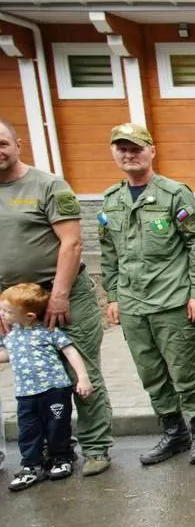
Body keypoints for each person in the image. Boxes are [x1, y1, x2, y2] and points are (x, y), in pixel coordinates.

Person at [0, 118, 114, 475]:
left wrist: (60, 295)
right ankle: (52, 448)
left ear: (18, 144)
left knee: (80, 368)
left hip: (60, 294)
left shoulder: (48, 185)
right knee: (34, 375)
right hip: (13, 303)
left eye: (2, 143)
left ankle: (96, 446)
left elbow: (72, 242)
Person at [99, 123, 195, 465]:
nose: (129, 154)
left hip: (172, 302)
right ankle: (173, 432)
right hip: (134, 303)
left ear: (151, 151)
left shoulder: (173, 194)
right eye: (122, 148)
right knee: (150, 372)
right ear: (114, 153)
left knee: (184, 371)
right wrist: (113, 296)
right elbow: (109, 253)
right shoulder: (111, 201)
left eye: (136, 147)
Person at [1, 283, 95, 490]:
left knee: (57, 426)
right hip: (25, 394)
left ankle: (61, 457)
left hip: (55, 390)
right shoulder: (9, 336)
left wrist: (83, 377)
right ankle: (31, 465)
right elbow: (7, 355)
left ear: (30, 316)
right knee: (28, 430)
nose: (2, 314)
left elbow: (70, 351)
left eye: (7, 311)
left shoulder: (48, 331)